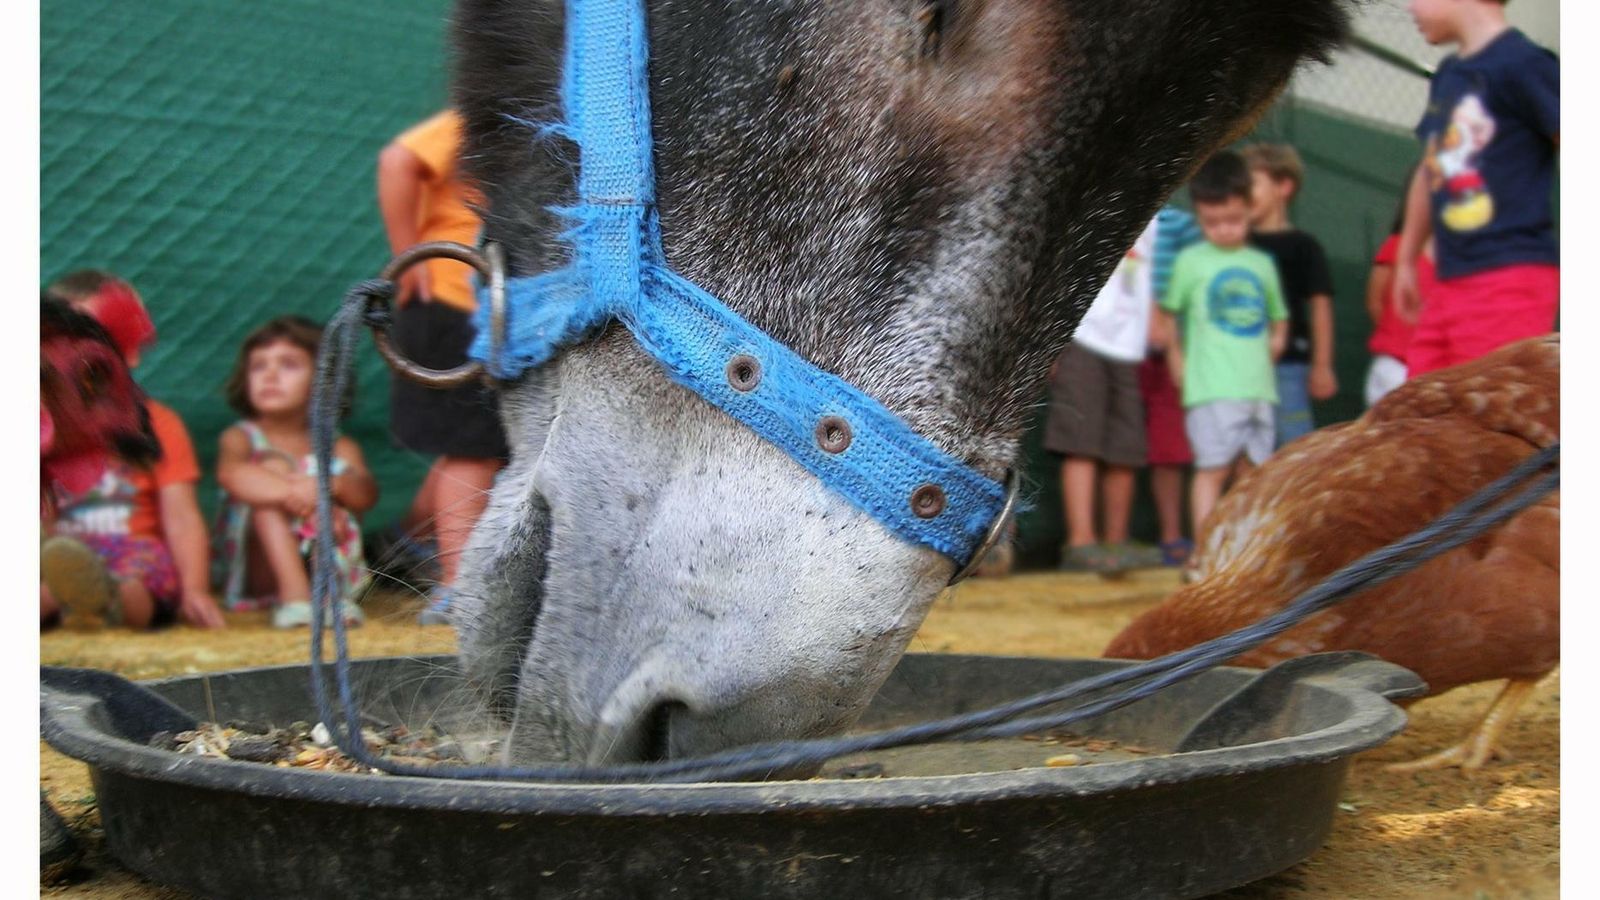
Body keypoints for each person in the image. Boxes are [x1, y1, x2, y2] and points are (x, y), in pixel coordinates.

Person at [377, 109, 509, 624]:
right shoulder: (490, 110)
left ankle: (404, 543)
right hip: (455, 297)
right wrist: (407, 257)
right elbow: (397, 161)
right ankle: (456, 584)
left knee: (488, 444)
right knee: (471, 448)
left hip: (499, 305)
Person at [41, 271, 225, 630]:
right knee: (47, 589)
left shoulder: (158, 423)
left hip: (133, 557)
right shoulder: (44, 427)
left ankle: (101, 606)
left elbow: (181, 517)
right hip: (61, 558)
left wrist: (196, 591)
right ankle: (76, 604)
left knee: (132, 588)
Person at [1393, 0, 1558, 377]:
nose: (1408, 7)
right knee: (1420, 408)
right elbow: (1429, 168)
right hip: (1449, 280)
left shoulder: (1525, 64)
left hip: (1509, 278)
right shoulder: (1449, 74)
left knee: (1494, 408)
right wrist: (1406, 257)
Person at [214, 317, 377, 628]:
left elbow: (366, 494)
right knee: (268, 471)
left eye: (288, 365)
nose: (270, 376)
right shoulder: (240, 438)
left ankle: (331, 595)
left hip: (324, 550)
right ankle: (296, 598)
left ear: (323, 380)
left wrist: (326, 488)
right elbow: (231, 475)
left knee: (335, 477)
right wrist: (299, 492)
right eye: (258, 366)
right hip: (259, 570)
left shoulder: (339, 444)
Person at [1157, 152, 1289, 536]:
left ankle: (1243, 549)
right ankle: (1203, 550)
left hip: (1259, 388)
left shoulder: (1262, 265)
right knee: (1212, 469)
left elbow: (1278, 316)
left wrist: (1278, 339)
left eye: (1233, 220)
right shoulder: (1191, 261)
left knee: (1252, 473)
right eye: (1212, 223)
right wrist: (1175, 358)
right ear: (1199, 215)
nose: (1224, 230)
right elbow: (1168, 315)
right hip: (1210, 388)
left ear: (1249, 208)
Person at [1045, 215, 1164, 574]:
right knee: (1081, 441)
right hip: (1084, 337)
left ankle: (1116, 541)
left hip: (1128, 347)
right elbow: (1063, 264)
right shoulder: (1099, 190)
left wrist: (1155, 318)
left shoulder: (1155, 217)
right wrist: (1053, 340)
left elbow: (1146, 274)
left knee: (1124, 447)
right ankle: (1081, 543)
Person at [1243, 143, 1337, 446]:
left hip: (1289, 367)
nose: (1243, 193)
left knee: (1294, 447)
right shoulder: (1234, 246)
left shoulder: (1304, 246)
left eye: (1252, 184)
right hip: (1238, 368)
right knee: (1244, 449)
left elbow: (1320, 307)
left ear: (1283, 186)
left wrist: (1321, 366)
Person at [1142, 206, 1204, 567]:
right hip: (1114, 352)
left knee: (1171, 449)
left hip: (1172, 355)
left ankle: (1172, 537)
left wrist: (1174, 340)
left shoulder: (1183, 224)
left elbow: (1193, 286)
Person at [1364, 192, 1438, 407]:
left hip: (1432, 374)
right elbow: (1375, 301)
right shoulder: (1396, 246)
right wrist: (1397, 340)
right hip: (1395, 366)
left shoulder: (1459, 262)